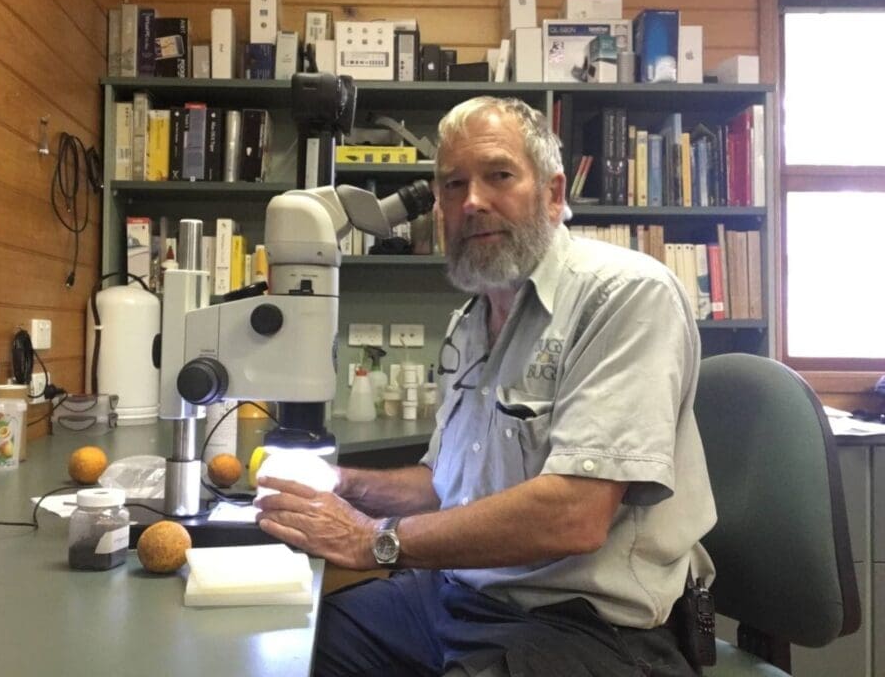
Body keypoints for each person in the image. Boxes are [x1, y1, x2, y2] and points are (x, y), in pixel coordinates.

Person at [255, 96, 716, 677]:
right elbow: (447, 486)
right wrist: (343, 484)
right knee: (288, 648)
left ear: (552, 194)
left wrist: (375, 539)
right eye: (452, 185)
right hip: (455, 599)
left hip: (587, 627)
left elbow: (575, 514)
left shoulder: (625, 294)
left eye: (498, 175)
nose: (471, 201)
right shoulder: (468, 324)